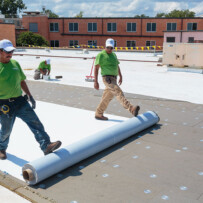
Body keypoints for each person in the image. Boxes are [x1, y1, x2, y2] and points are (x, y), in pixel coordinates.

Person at [0, 39, 61, 160]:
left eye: (11, 51)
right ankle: (1, 148)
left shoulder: (15, 64)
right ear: (0, 51)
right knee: (6, 130)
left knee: (35, 122)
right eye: (7, 51)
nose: (10, 53)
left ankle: (46, 145)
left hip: (19, 101)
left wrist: (29, 95)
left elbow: (22, 80)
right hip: (4, 105)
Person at [94, 38, 140, 120]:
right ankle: (131, 108)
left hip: (114, 78)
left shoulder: (114, 55)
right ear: (105, 46)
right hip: (107, 78)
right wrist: (96, 81)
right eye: (108, 47)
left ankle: (98, 113)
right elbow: (96, 68)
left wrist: (121, 76)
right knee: (118, 92)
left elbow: (117, 66)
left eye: (111, 48)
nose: (110, 49)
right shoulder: (101, 55)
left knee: (107, 97)